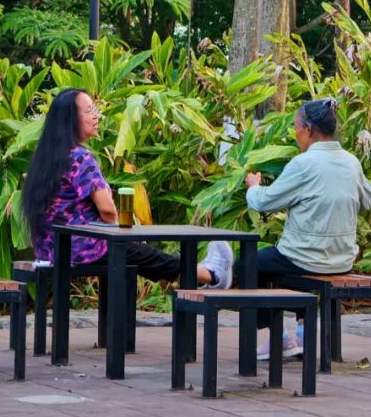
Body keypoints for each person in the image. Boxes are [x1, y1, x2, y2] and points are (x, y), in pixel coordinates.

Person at [21, 87, 233, 288]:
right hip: (82, 250)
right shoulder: (79, 157)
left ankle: (205, 273)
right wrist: (122, 234)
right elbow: (107, 209)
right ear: (70, 120)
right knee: (142, 254)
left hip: (50, 251)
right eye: (88, 111)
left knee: (139, 255)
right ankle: (212, 275)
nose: (96, 116)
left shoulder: (46, 157)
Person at [239, 96, 371, 357]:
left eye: (295, 127)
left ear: (308, 130)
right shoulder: (351, 162)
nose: (294, 133)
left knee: (247, 264)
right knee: (291, 260)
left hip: (304, 257)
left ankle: (279, 337)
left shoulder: (303, 164)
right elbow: (368, 200)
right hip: (342, 259)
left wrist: (253, 187)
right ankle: (302, 334)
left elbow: (265, 203)